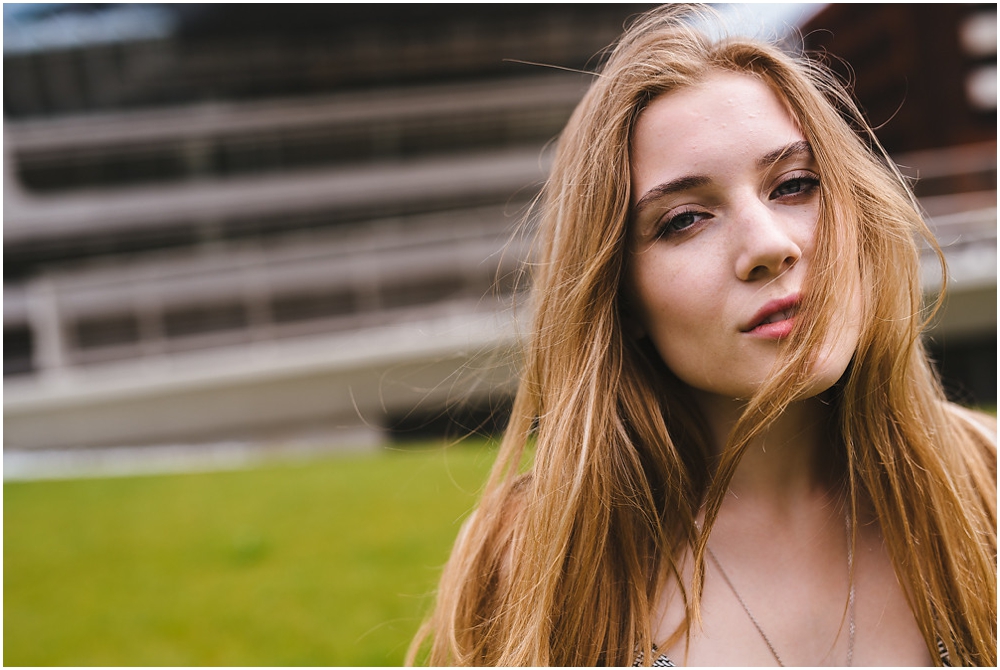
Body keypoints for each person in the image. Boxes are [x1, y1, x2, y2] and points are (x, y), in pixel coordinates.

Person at [408, 5, 997, 666]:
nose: (769, 247)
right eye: (685, 219)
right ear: (620, 295)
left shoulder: (987, 488)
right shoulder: (537, 560)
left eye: (796, 184)